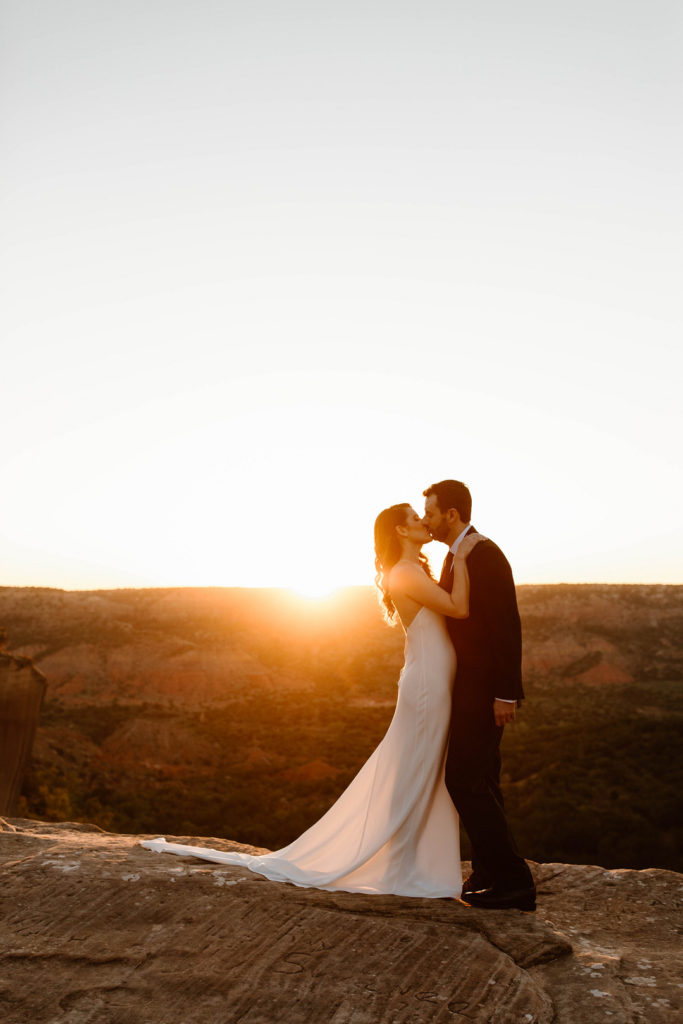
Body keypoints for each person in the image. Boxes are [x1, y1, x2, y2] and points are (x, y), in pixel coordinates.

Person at [141, 502, 483, 898]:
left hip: (431, 676)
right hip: (427, 681)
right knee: (417, 769)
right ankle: (402, 867)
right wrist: (463, 556)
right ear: (401, 532)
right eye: (415, 519)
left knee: (419, 768)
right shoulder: (405, 573)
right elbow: (459, 608)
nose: (424, 523)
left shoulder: (410, 570)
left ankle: (407, 863)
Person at [422, 479, 536, 911]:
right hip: (467, 687)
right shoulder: (458, 555)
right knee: (483, 778)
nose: (427, 521)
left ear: (452, 514)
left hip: (485, 689)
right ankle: (491, 871)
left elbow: (506, 626)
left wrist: (506, 694)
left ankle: (515, 880)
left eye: (431, 513)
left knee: (462, 779)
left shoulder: (484, 553)